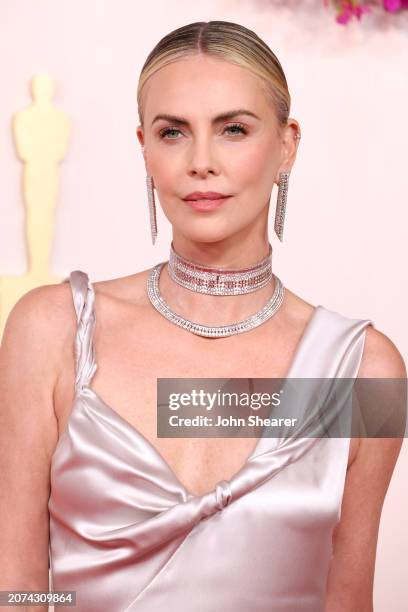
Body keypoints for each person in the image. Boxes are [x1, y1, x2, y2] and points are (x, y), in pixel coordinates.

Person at [1, 20, 406, 612]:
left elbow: (348, 600)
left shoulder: (368, 372)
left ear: (287, 144)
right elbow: (19, 584)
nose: (200, 162)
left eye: (233, 129)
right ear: (144, 147)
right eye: (173, 133)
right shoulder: (52, 330)